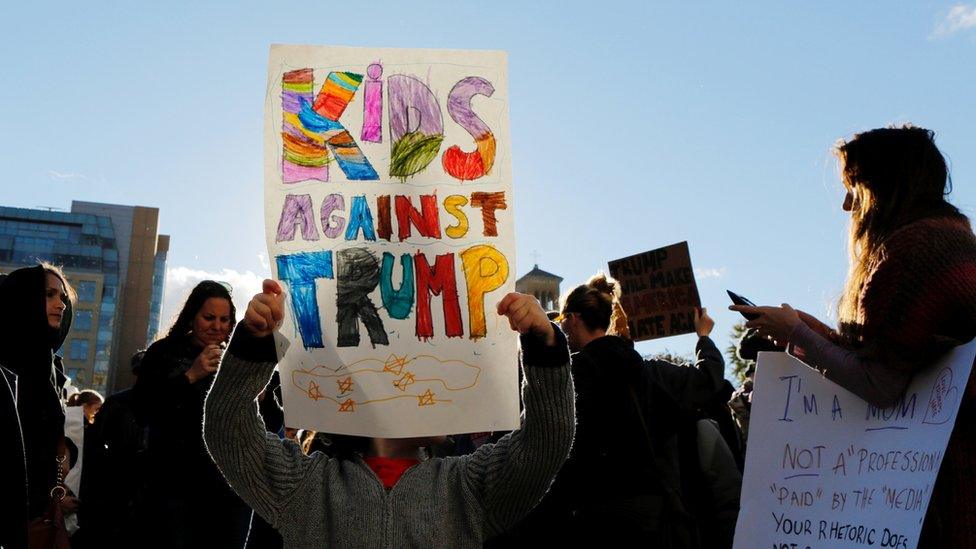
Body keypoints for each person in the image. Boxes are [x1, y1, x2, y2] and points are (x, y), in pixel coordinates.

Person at [731, 125, 976, 546]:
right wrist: (807, 329)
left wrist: (795, 334)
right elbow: (896, 352)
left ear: (886, 186)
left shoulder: (912, 254)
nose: (847, 205)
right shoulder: (950, 238)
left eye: (853, 186)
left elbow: (880, 383)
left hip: (944, 487)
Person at [203, 280, 575, 548]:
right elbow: (226, 428)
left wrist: (544, 346)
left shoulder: (466, 488)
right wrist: (254, 341)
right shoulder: (307, 486)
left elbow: (545, 444)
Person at [505, 273, 735, 547]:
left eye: (562, 320)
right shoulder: (653, 373)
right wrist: (704, 337)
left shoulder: (565, 378)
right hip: (653, 522)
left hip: (582, 521)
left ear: (573, 318)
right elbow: (708, 380)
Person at [135, 280, 251, 548]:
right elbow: (143, 408)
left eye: (225, 320)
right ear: (192, 316)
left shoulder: (238, 358)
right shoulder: (163, 352)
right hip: (173, 484)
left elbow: (267, 423)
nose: (217, 326)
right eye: (209, 318)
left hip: (227, 486)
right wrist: (191, 375)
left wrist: (258, 395)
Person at [0, 264, 74, 536]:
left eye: (63, 297)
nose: (61, 304)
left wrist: (64, 451)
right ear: (25, 298)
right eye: (50, 295)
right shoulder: (7, 359)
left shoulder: (50, 365)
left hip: (36, 510)